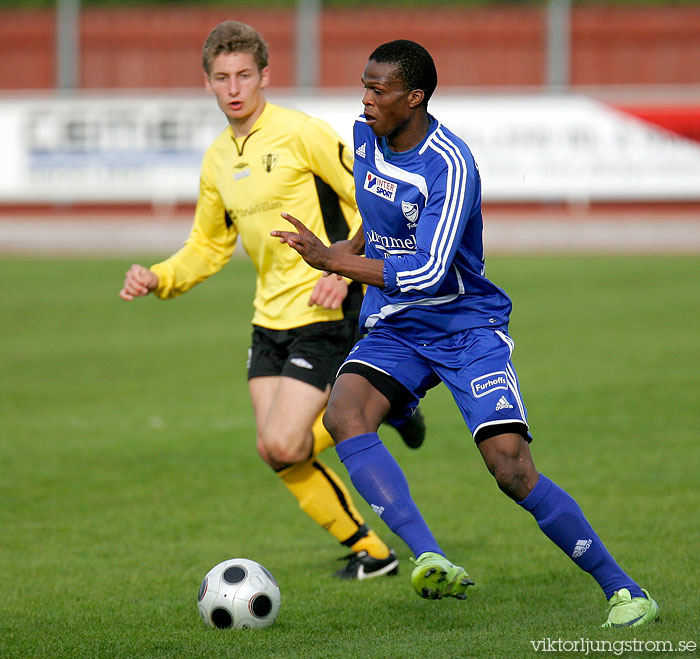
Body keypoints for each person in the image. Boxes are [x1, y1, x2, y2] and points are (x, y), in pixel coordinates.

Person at [272, 39, 659, 626]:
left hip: (462, 325)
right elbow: (371, 222)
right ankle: (429, 555)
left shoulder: (450, 165)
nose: (366, 99)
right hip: (397, 325)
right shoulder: (364, 134)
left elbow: (426, 271)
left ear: (415, 97)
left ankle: (625, 590)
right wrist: (346, 250)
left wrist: (331, 263)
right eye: (364, 86)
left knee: (511, 468)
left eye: (379, 90)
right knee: (344, 413)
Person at [118, 21, 426, 580]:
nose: (234, 87)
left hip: (325, 307)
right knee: (277, 451)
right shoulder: (217, 159)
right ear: (208, 83)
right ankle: (371, 552)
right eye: (221, 78)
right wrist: (159, 277)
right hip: (269, 319)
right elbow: (208, 246)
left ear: (264, 75)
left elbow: (374, 194)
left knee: (286, 439)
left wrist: (344, 267)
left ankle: (382, 405)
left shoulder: (300, 133)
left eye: (243, 75)